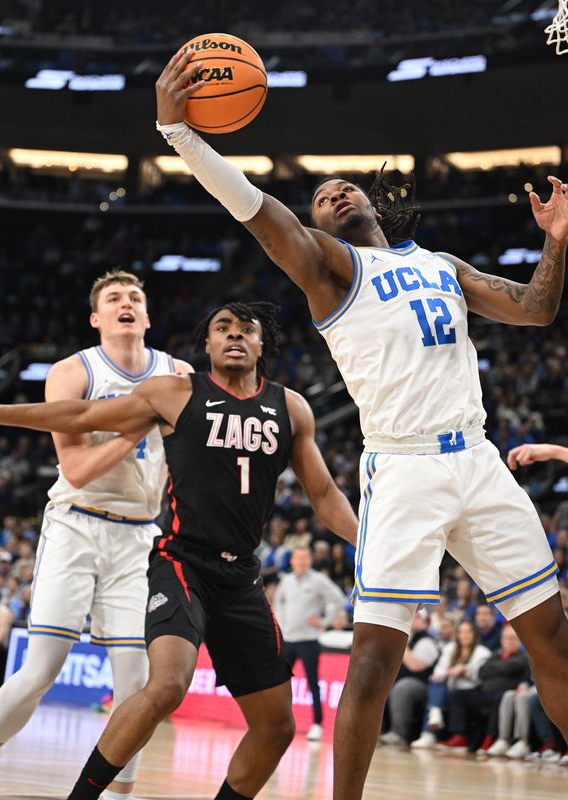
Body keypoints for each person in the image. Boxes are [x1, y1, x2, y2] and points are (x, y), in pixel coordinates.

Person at [154, 48, 568, 799]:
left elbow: (536, 308)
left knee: (553, 641)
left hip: (476, 460)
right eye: (318, 197)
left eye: (342, 185)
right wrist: (180, 135)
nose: (332, 192)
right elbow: (256, 208)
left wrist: (557, 240)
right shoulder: (329, 268)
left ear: (374, 202)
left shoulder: (442, 264)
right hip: (402, 468)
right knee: (375, 662)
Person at [0, 301, 359, 800]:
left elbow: (324, 495)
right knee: (166, 685)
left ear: (262, 345)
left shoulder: (290, 407)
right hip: (180, 561)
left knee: (277, 727)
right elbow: (80, 413)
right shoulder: (175, 392)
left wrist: (366, 546)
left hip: (242, 577)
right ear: (204, 346)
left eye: (245, 329)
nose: (234, 335)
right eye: (221, 328)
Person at [0, 269, 191, 800]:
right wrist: (139, 425)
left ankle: (117, 794)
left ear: (147, 317)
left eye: (135, 297)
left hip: (138, 538)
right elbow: (77, 470)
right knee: (41, 670)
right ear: (97, 318)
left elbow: (188, 461)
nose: (126, 302)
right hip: (76, 524)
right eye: (114, 298)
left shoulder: (178, 374)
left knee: (137, 681)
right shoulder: (71, 371)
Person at [273, 545, 347, 741]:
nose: (301, 562)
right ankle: (278, 722)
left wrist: (324, 621)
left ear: (310, 561)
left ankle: (317, 725)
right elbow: (277, 602)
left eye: (305, 558)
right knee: (279, 682)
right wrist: (281, 621)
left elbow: (339, 599)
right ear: (292, 561)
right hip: (288, 639)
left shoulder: (318, 580)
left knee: (313, 683)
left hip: (308, 640)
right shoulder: (286, 581)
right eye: (298, 558)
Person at [437, 624, 529, 754]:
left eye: (512, 638)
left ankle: (490, 738)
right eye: (506, 638)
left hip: (503, 692)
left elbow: (509, 667)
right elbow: (482, 671)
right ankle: (459, 736)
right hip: (484, 691)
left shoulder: (523, 656)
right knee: (457, 695)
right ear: (501, 639)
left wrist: (496, 668)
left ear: (519, 640)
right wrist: (501, 668)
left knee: (501, 698)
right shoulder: (496, 654)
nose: (508, 641)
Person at [411, 619, 491, 749]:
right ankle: (433, 719)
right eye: (461, 632)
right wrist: (443, 674)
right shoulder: (450, 648)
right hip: (448, 689)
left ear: (474, 634)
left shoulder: (483, 652)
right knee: (436, 681)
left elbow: (481, 678)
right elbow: (440, 669)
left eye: (468, 632)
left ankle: (430, 730)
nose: (464, 635)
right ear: (457, 634)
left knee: (437, 694)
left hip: (469, 690)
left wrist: (465, 672)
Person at [379, 609, 440, 746]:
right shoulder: (410, 639)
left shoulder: (426, 641)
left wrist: (401, 643)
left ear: (425, 622)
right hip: (404, 682)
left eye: (418, 617)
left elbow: (415, 666)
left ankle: (399, 733)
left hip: (423, 686)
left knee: (403, 688)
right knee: (383, 686)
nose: (413, 619)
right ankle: (380, 731)